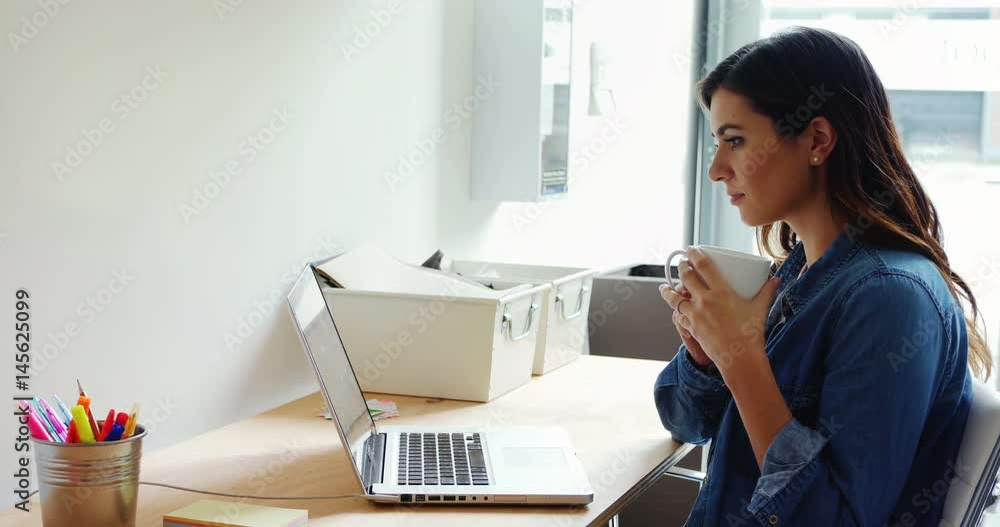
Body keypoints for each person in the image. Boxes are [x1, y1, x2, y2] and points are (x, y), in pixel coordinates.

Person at [654, 27, 992, 526]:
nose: (717, 170)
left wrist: (743, 361)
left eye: (736, 141)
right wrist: (708, 357)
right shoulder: (796, 275)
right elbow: (683, 421)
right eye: (717, 143)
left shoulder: (889, 298)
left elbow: (833, 520)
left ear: (816, 140)